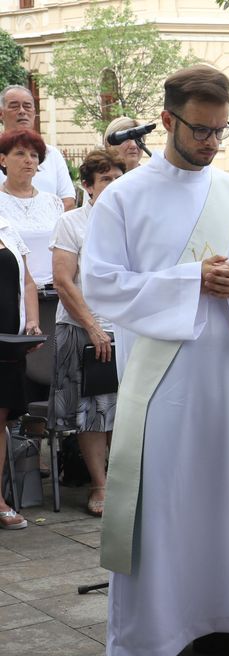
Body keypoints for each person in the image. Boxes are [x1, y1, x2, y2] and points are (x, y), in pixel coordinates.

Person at [81, 64, 229, 656]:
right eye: (200, 130)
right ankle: (155, 638)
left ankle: (225, 620)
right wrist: (187, 281)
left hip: (225, 371)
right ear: (168, 120)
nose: (210, 143)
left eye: (219, 132)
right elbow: (103, 285)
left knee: (228, 496)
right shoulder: (123, 196)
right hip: (161, 381)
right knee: (163, 503)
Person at [49, 149, 125, 517]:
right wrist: (93, 327)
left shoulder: (131, 222)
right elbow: (63, 281)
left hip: (123, 329)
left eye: (118, 178)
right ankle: (100, 485)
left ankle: (121, 480)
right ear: (87, 185)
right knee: (91, 411)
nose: (114, 185)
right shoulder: (72, 222)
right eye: (106, 179)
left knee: (121, 410)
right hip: (82, 329)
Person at [0, 205, 39, 530]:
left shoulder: (6, 226)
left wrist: (33, 324)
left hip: (7, 343)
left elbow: (28, 282)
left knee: (0, 418)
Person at [0, 129, 65, 288]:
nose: (28, 160)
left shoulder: (53, 202)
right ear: (3, 160)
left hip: (54, 293)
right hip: (12, 294)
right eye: (20, 154)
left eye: (34, 155)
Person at [0, 85, 75, 210]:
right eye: (14, 106)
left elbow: (68, 201)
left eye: (27, 106)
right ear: (1, 114)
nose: (22, 111)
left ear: (34, 113)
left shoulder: (52, 154)